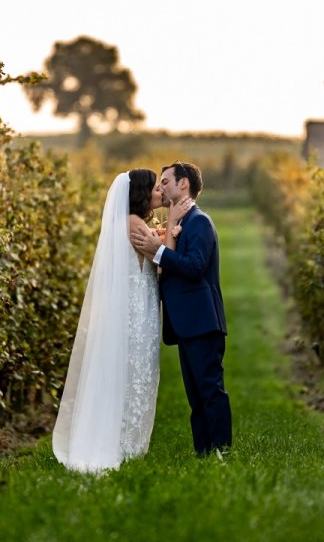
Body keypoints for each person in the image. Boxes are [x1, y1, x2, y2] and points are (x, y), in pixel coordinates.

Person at [52, 169, 192, 472]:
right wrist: (170, 225)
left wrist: (164, 230)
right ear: (141, 195)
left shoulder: (135, 223)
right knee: (134, 372)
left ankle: (130, 443)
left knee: (140, 372)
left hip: (141, 310)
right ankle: (124, 444)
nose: (159, 192)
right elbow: (161, 258)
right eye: (154, 188)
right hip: (135, 313)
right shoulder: (132, 224)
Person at [130, 162, 231, 457]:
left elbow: (195, 267)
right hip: (186, 323)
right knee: (196, 395)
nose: (160, 188)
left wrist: (157, 250)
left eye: (165, 181)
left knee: (210, 391)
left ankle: (222, 451)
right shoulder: (182, 223)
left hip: (202, 321)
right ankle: (204, 452)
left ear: (183, 184)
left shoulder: (199, 222)